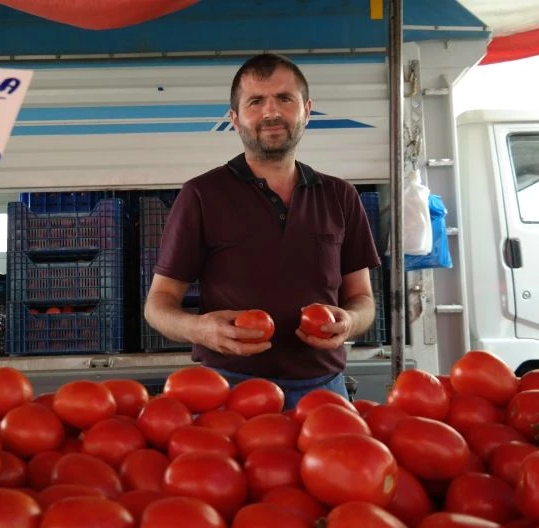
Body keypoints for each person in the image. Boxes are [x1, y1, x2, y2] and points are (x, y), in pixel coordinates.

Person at [143, 53, 381, 408]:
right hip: (230, 389)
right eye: (256, 102)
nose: (271, 113)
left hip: (323, 391)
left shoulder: (340, 195)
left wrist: (350, 320)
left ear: (307, 111)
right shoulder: (202, 194)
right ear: (235, 119)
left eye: (285, 98)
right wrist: (199, 329)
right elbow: (157, 304)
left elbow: (362, 299)